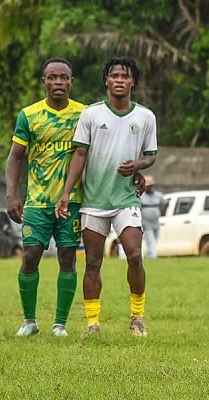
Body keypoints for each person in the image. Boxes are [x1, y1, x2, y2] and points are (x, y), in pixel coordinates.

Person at [56, 56, 157, 338]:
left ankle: (137, 317)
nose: (120, 80)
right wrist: (66, 193)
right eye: (114, 75)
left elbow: (150, 157)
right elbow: (79, 154)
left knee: (135, 255)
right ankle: (92, 323)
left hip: (126, 199)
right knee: (92, 262)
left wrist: (136, 167)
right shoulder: (91, 114)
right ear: (106, 80)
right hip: (93, 201)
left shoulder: (145, 117)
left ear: (133, 81)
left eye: (125, 76)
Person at [5, 57, 86, 337]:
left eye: (64, 77)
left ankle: (60, 324)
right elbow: (15, 158)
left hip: (71, 201)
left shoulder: (84, 114)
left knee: (68, 258)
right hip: (37, 201)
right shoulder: (29, 115)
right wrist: (12, 195)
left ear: (71, 82)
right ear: (44, 82)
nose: (58, 83)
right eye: (52, 77)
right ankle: (29, 321)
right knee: (30, 256)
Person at [140, 175, 163, 259]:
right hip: (146, 223)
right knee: (150, 240)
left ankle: (150, 254)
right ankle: (152, 257)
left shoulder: (158, 195)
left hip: (156, 222)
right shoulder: (141, 196)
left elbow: (162, 205)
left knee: (155, 240)